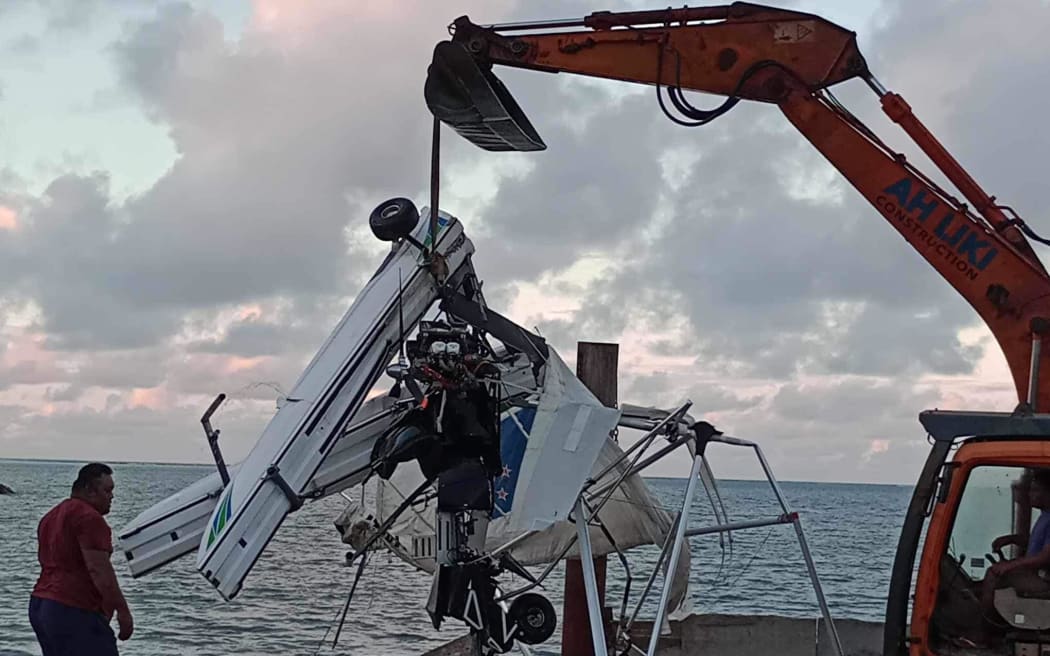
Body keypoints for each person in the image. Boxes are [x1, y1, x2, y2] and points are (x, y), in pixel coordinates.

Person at [29, 462, 134, 655]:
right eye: (107, 490)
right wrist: (123, 611)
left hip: (40, 605)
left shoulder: (50, 517)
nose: (112, 496)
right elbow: (99, 570)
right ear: (89, 490)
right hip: (71, 608)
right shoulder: (89, 518)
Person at [982, 469, 1050, 607]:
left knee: (993, 575)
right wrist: (1011, 539)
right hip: (1036, 574)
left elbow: (1045, 556)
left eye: (1035, 490)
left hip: (1044, 580)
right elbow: (1037, 543)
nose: (1029, 494)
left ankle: (987, 623)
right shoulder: (1046, 515)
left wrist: (1010, 565)